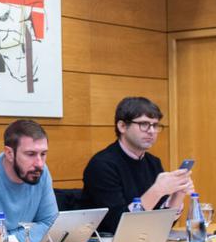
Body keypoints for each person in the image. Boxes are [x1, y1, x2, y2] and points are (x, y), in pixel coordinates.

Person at [81, 96, 192, 234]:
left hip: (143, 240)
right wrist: (157, 190)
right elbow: (118, 226)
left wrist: (177, 194)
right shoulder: (101, 166)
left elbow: (164, 224)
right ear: (122, 126)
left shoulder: (153, 162)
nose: (151, 131)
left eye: (155, 125)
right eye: (144, 124)